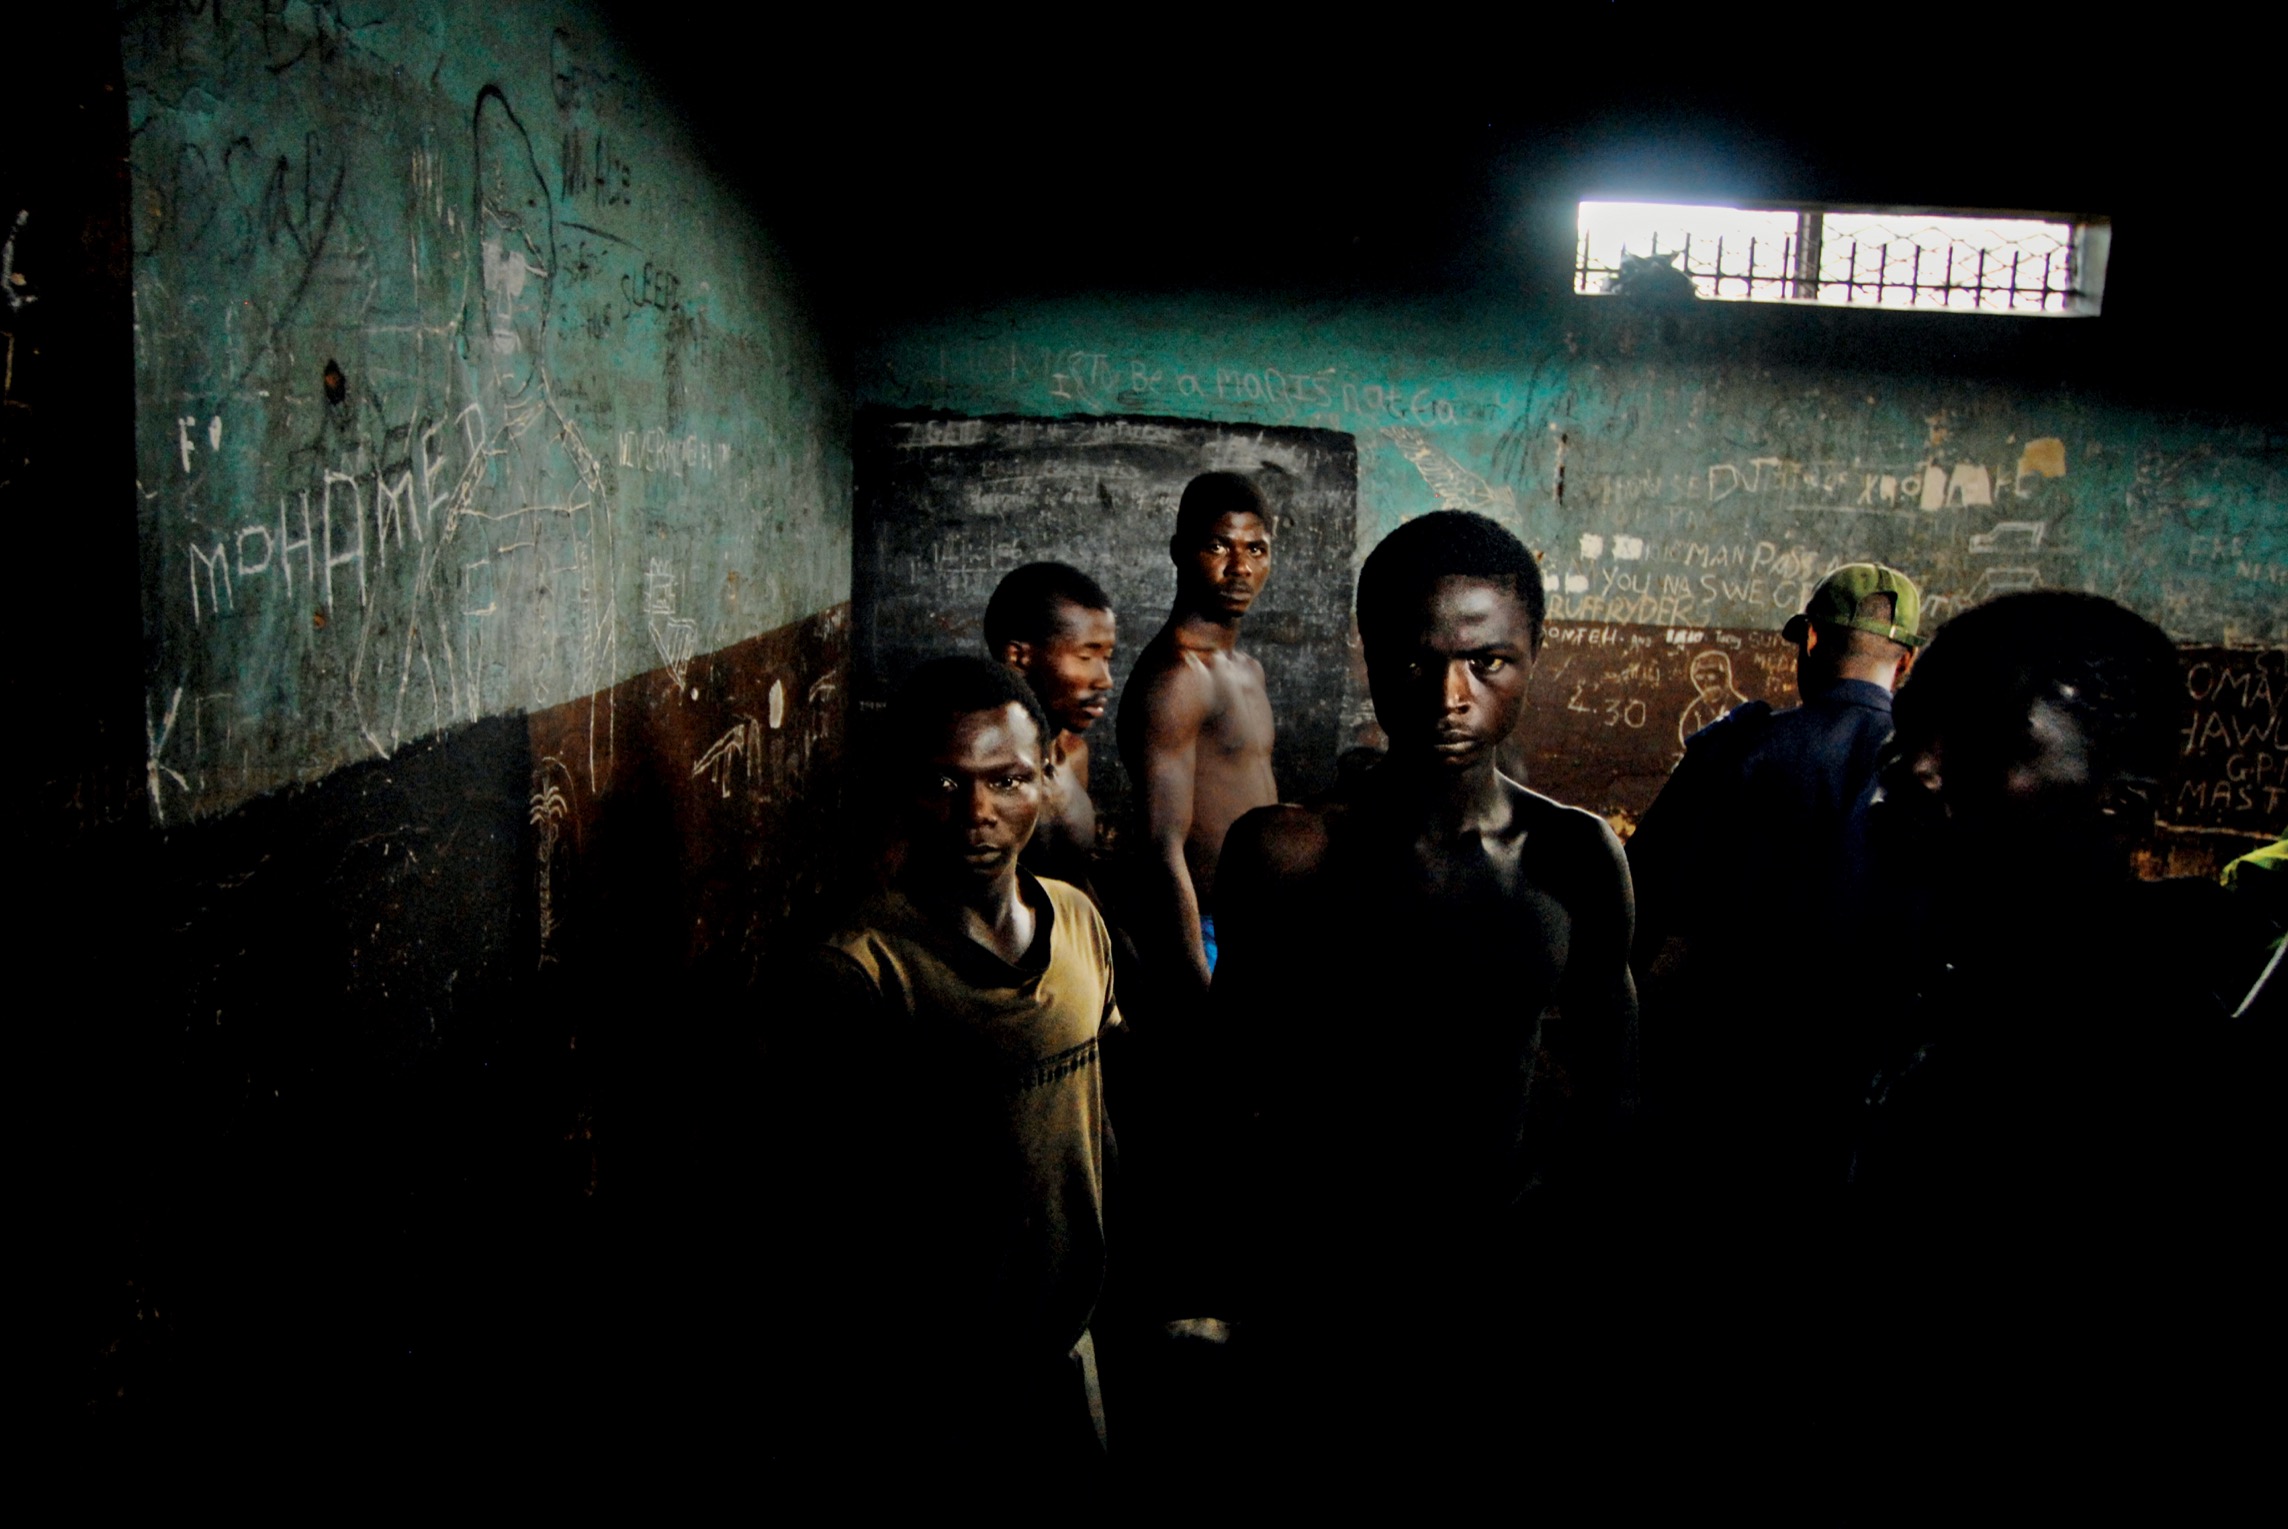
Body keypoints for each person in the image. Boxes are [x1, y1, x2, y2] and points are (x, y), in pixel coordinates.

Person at [1213, 511, 1638, 1453]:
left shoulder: (1572, 855)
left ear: (1532, 655)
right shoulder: (1291, 854)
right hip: (1326, 1278)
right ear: (1372, 657)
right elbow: (1231, 1088)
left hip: (1502, 1273)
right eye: (1418, 660)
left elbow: (1612, 1082)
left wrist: (1549, 1235)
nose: (1452, 696)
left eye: (1488, 663)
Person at [1845, 591, 2268, 1480]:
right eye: (1912, 727)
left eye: (1986, 746)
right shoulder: (1933, 985)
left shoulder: (2152, 1069)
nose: (1914, 767)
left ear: (2119, 806)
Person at [763, 657, 1121, 1480]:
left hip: (1065, 1349)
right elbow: (822, 1216)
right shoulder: (855, 970)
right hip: (927, 1386)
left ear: (1049, 774)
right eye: (945, 782)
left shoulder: (1076, 922)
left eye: (1009, 780)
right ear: (902, 786)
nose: (980, 813)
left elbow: (1091, 1120)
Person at [1625, 561, 1923, 1194]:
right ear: (1906, 664)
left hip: (1724, 1079)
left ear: (1810, 640)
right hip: (1865, 1094)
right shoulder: (1941, 779)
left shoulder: (1736, 750)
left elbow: (1636, 905)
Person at [1115, 472, 1278, 1007]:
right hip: (1205, 936)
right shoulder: (1177, 676)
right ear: (1180, 552)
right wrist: (1198, 989)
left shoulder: (1246, 669)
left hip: (1256, 927)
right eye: (1218, 546)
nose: (1241, 567)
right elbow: (1162, 846)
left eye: (1256, 548)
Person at [984, 562, 1118, 891]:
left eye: (1107, 658)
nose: (1105, 680)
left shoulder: (1073, 754)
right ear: (1018, 658)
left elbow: (1071, 880)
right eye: (1086, 657)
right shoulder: (977, 771)